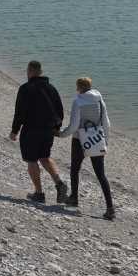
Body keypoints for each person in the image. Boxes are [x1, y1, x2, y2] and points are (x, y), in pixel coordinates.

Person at [9, 60, 68, 203]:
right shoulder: (52, 88)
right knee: (45, 157)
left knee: (31, 160)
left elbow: (20, 112)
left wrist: (14, 131)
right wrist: (56, 128)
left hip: (31, 130)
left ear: (29, 71)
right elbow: (60, 111)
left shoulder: (25, 88)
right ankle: (59, 183)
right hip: (48, 130)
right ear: (41, 72)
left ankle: (39, 193)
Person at [58, 77, 115, 220]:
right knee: (101, 174)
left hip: (79, 139)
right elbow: (106, 122)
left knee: (75, 169)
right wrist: (105, 141)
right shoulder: (99, 99)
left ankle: (74, 198)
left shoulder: (78, 101)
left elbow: (74, 125)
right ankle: (110, 208)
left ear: (79, 87)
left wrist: (61, 134)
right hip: (96, 139)